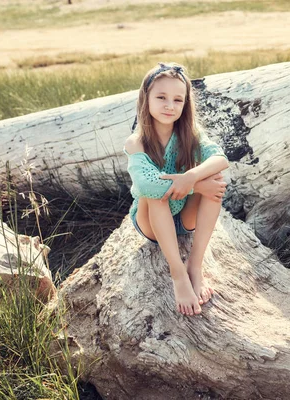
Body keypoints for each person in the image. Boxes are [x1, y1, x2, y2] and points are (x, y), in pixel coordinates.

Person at [124, 62, 229, 317]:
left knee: (213, 180)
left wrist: (191, 178)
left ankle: (194, 265)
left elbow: (220, 159)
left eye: (177, 100)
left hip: (184, 217)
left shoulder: (191, 135)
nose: (170, 105)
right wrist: (195, 184)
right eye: (161, 97)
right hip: (150, 221)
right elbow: (147, 184)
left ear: (185, 104)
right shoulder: (137, 142)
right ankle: (178, 273)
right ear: (145, 99)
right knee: (156, 193)